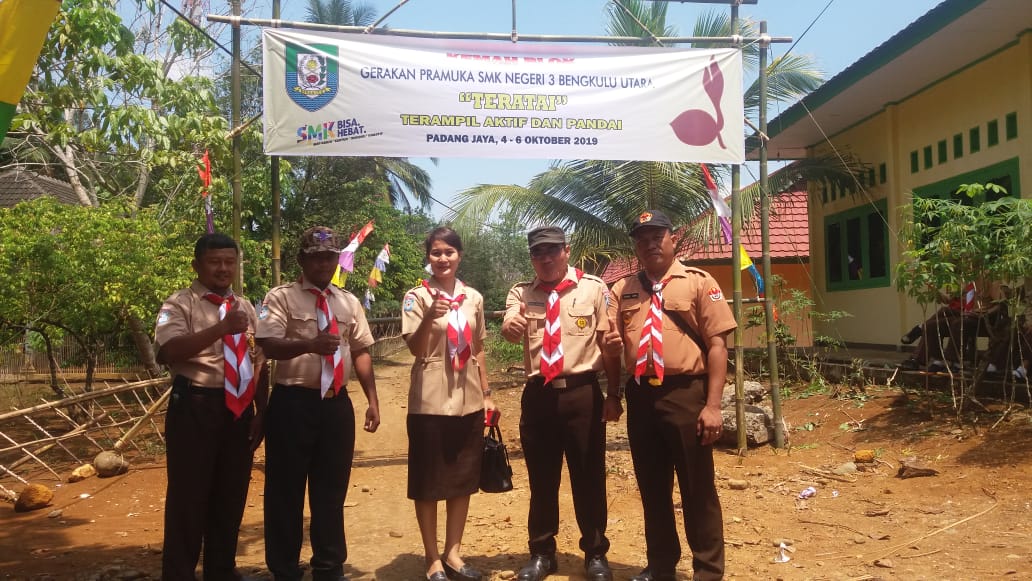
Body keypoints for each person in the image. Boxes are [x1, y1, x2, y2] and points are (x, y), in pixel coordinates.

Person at [603, 210, 736, 581]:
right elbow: (609, 348)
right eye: (642, 238)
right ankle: (661, 565)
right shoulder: (622, 289)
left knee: (697, 487)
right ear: (636, 246)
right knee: (652, 485)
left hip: (686, 394)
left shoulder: (698, 282)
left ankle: (708, 570)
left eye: (656, 235)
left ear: (672, 239)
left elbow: (717, 345)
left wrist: (712, 406)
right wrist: (613, 388)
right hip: (641, 396)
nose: (649, 243)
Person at [256, 226, 381, 581]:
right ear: (302, 260)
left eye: (329, 256)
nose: (323, 263)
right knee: (285, 491)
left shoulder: (348, 301)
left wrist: (372, 401)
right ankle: (284, 569)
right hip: (292, 403)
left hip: (335, 405)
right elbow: (268, 344)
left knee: (331, 490)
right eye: (315, 256)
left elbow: (360, 351)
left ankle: (329, 566)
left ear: (337, 259)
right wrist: (310, 344)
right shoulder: (279, 298)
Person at [501, 226, 620, 581]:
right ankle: (541, 553)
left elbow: (609, 344)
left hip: (582, 394)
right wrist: (512, 327)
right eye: (539, 253)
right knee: (542, 479)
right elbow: (510, 322)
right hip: (539, 397)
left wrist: (614, 394)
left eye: (553, 251)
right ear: (532, 258)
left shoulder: (595, 288)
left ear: (567, 251)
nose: (546, 258)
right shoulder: (521, 292)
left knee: (589, 477)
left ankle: (595, 553)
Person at [154, 232, 269, 581]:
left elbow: (258, 360)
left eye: (229, 262)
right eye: (215, 262)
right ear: (197, 265)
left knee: (230, 495)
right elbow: (167, 352)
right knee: (188, 497)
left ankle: (221, 570)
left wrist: (261, 412)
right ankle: (179, 574)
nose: (223, 269)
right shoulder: (179, 304)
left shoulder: (246, 306)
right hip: (195, 404)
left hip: (237, 411)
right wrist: (220, 328)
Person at [400, 227, 496, 581]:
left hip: (468, 399)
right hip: (430, 399)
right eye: (436, 253)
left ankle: (453, 553)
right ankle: (431, 558)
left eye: (449, 252)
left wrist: (486, 394)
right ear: (428, 257)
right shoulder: (416, 298)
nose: (443, 259)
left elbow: (480, 347)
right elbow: (416, 348)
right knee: (428, 481)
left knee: (462, 478)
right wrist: (430, 315)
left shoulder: (474, 297)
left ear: (459, 256)